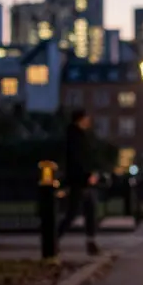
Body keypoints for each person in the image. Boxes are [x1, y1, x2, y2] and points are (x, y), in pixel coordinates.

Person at [57, 109, 100, 256]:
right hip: (79, 181)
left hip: (84, 180)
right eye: (86, 118)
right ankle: (54, 239)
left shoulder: (80, 136)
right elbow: (77, 160)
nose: (88, 121)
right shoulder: (75, 137)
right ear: (81, 119)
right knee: (74, 212)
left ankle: (91, 242)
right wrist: (88, 174)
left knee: (89, 211)